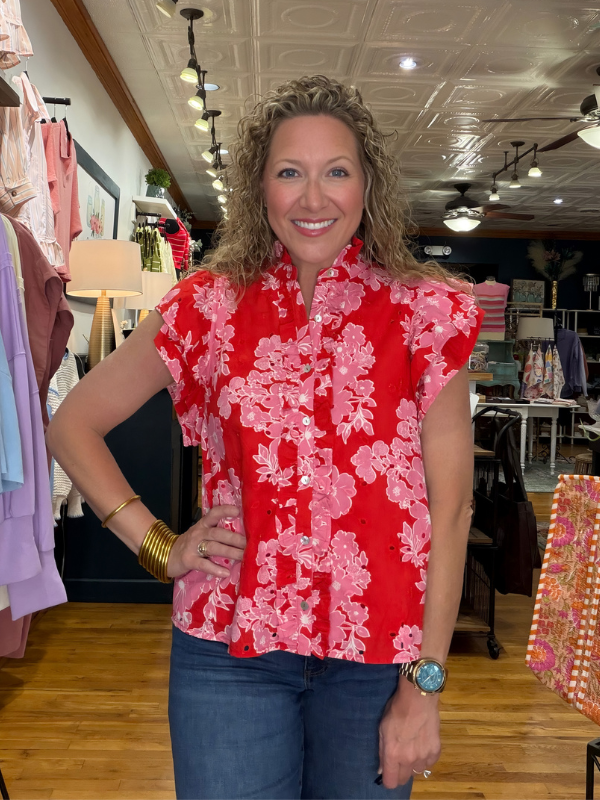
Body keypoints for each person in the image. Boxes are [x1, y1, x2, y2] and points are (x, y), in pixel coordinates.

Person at [47, 75, 483, 799]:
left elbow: (452, 512)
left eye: (336, 172)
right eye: (290, 172)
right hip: (228, 652)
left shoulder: (424, 315)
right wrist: (160, 545)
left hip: (377, 663)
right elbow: (71, 425)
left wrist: (425, 685)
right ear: (261, 189)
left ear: (366, 185)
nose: (314, 198)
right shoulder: (207, 308)